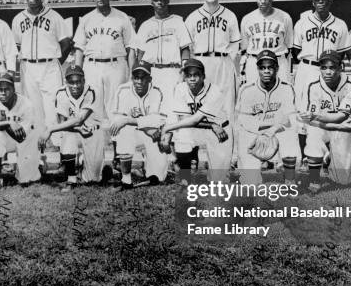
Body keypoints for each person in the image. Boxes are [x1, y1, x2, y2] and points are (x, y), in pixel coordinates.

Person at [292, 0, 351, 170]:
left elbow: (345, 51)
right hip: (307, 68)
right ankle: (305, 157)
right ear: (313, 1)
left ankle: (327, 155)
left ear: (330, 1)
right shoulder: (302, 23)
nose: (321, 1)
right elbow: (296, 51)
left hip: (328, 72)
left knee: (327, 111)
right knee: (303, 114)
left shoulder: (340, 24)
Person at [11, 0, 72, 142]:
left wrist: (57, 62)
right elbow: (15, 47)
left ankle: (62, 151)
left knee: (54, 109)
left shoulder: (54, 16)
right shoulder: (18, 19)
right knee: (33, 112)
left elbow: (66, 43)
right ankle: (39, 154)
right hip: (28, 68)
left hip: (50, 67)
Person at [160, 58, 233, 182]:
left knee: (218, 181)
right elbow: (184, 119)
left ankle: (196, 159)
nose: (192, 79)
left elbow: (194, 120)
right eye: (189, 75)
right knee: (182, 134)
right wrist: (212, 125)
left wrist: (167, 129)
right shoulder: (180, 88)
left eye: (196, 75)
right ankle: (185, 177)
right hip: (202, 128)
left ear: (203, 76)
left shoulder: (215, 91)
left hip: (220, 132)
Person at [73, 0, 136, 121]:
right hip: (92, 66)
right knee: (92, 104)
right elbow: (79, 48)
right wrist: (78, 71)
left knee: (116, 105)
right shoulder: (86, 19)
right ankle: (98, 140)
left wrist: (132, 71)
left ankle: (116, 140)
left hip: (116, 65)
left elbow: (131, 47)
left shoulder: (122, 17)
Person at [38, 65, 107, 192]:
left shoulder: (93, 91)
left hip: (92, 131)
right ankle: (71, 178)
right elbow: (63, 123)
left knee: (92, 180)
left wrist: (50, 129)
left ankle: (88, 166)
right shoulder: (61, 93)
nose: (75, 86)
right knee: (67, 137)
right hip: (74, 131)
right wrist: (77, 129)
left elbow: (80, 119)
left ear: (84, 80)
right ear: (66, 82)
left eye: (78, 81)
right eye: (71, 82)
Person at [235, 50, 299, 185]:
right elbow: (243, 120)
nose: (266, 71)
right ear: (257, 69)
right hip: (254, 133)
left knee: (291, 131)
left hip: (277, 130)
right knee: (250, 184)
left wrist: (271, 131)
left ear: (277, 68)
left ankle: (289, 179)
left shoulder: (287, 88)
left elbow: (289, 117)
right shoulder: (247, 89)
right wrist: (263, 133)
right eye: (262, 68)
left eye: (270, 67)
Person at [298, 51, 351, 193]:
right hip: (323, 127)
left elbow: (341, 117)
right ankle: (314, 179)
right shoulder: (312, 84)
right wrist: (318, 119)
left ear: (341, 67)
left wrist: (317, 117)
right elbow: (309, 120)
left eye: (332, 67)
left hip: (343, 129)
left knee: (342, 180)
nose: (327, 72)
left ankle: (329, 158)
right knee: (313, 135)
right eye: (323, 67)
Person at [184, 0, 241, 115]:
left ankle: (228, 135)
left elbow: (235, 46)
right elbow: (187, 46)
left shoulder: (230, 15)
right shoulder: (192, 17)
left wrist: (234, 68)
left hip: (223, 62)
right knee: (202, 103)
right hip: (201, 62)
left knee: (227, 104)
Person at [110, 60, 168, 190]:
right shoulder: (123, 89)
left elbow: (156, 120)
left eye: (143, 78)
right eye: (136, 78)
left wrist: (129, 121)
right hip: (135, 133)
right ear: (132, 78)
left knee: (158, 177)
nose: (139, 82)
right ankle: (126, 180)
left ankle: (148, 168)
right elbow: (118, 120)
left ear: (150, 79)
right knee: (123, 130)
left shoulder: (157, 91)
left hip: (152, 134)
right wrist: (139, 124)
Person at [0, 71, 41, 193]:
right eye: (0, 89)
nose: (3, 92)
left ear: (14, 89)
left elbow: (21, 137)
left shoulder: (26, 104)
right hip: (7, 136)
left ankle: (39, 164)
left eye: (7, 89)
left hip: (25, 139)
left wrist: (1, 119)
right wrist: (8, 122)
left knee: (27, 180)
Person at [135, 0, 191, 105]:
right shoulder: (145, 25)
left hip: (173, 71)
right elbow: (140, 55)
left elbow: (185, 49)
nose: (160, 1)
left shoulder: (178, 22)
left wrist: (184, 72)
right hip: (152, 72)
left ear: (168, 1)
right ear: (151, 2)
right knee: (153, 107)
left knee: (173, 108)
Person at [240, 0, 294, 84]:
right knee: (254, 96)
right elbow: (245, 47)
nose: (263, 1)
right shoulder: (247, 19)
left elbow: (288, 44)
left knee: (282, 96)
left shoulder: (285, 17)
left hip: (278, 62)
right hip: (255, 62)